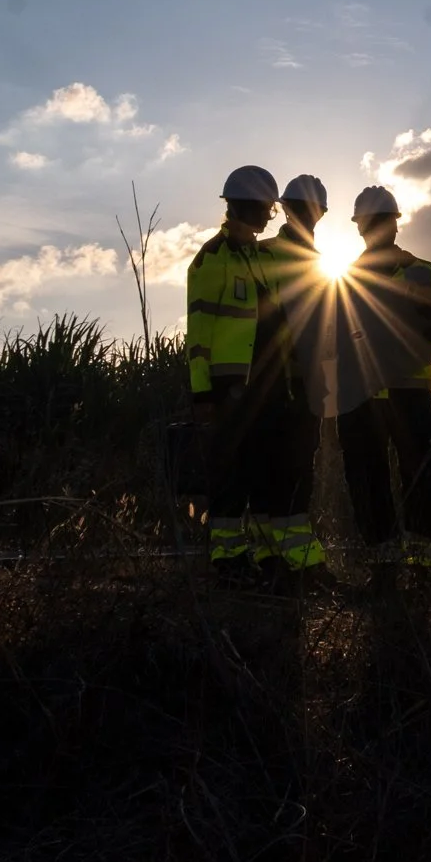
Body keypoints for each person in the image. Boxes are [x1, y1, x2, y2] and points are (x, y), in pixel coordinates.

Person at [335, 185, 431, 594]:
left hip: (409, 389)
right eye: (365, 223)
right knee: (366, 476)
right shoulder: (345, 277)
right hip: (361, 393)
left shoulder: (423, 271)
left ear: (393, 223)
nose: (370, 229)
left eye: (377, 221)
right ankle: (382, 564)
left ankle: (426, 565)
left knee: (419, 475)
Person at [186, 165, 288, 588]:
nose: (270, 217)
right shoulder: (212, 258)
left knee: (262, 469)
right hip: (227, 386)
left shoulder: (259, 256)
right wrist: (202, 393)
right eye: (266, 209)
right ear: (246, 205)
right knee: (228, 473)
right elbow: (199, 333)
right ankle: (226, 556)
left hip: (263, 385)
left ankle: (263, 554)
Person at [254, 174, 337, 593]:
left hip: (306, 387)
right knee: (282, 474)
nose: (308, 216)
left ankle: (279, 562)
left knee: (292, 473)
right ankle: (298, 565)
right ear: (286, 210)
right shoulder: (263, 256)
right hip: (274, 387)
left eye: (313, 210)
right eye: (301, 209)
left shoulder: (320, 264)